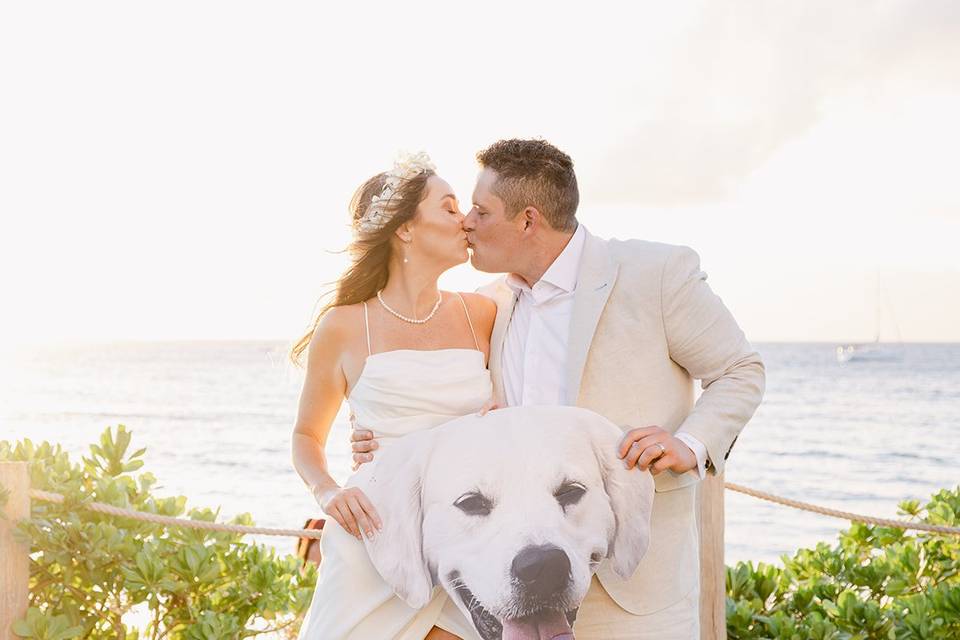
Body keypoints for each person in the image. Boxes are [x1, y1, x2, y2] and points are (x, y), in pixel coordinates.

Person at [352, 139, 766, 639]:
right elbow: (450, 412)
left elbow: (740, 369)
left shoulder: (655, 275)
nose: (467, 223)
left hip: (635, 586)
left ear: (527, 221)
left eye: (481, 212)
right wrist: (385, 442)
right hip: (507, 586)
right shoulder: (486, 307)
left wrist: (691, 444)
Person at [289, 151, 495, 640]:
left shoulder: (484, 312)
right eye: (448, 207)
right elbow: (305, 435)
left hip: (466, 544)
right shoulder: (343, 326)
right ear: (405, 229)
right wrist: (331, 491)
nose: (465, 219)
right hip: (374, 539)